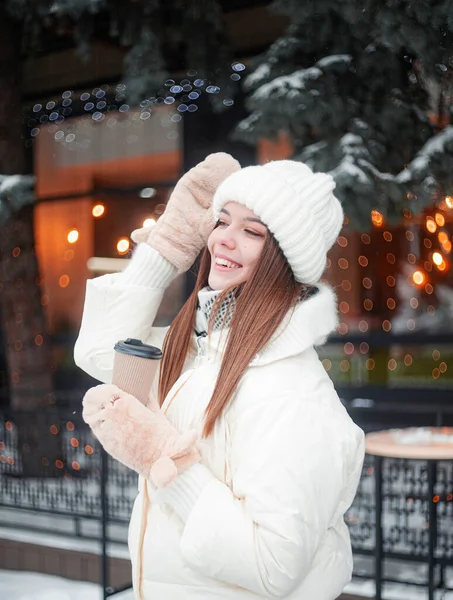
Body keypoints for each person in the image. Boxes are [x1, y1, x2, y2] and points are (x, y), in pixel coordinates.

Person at [74, 153, 365, 600]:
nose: (223, 240)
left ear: (285, 261)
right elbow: (100, 355)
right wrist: (164, 249)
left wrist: (162, 459)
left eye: (251, 231)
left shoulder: (290, 393)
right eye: (222, 221)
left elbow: (274, 565)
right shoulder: (200, 349)